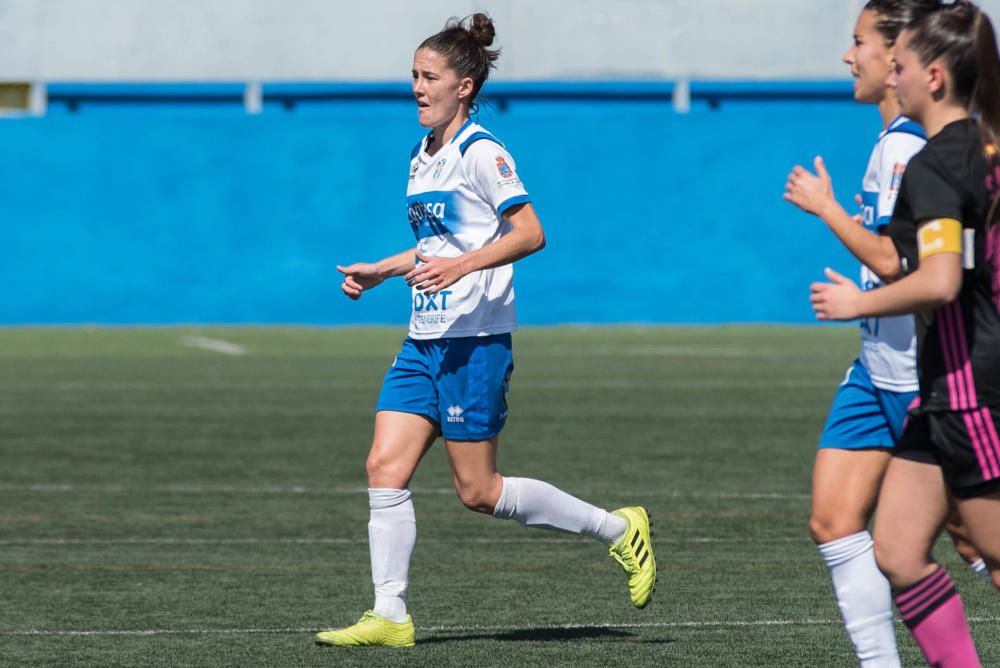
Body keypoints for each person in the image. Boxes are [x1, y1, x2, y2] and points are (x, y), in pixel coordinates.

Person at [314, 13, 656, 648]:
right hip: (424, 341)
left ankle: (618, 530)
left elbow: (529, 232)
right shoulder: (422, 156)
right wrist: (385, 269)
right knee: (383, 465)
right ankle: (389, 614)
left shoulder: (482, 151)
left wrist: (461, 267)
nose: (417, 87)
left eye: (430, 77)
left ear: (464, 85)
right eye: (413, 75)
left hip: (476, 340)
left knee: (479, 491)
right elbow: (439, 245)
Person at [785, 1, 987, 665]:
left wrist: (829, 219)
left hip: (953, 381)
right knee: (885, 543)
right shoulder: (956, 150)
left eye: (869, 47)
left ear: (922, 70)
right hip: (909, 376)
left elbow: (925, 274)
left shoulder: (921, 157)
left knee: (975, 541)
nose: (855, 58)